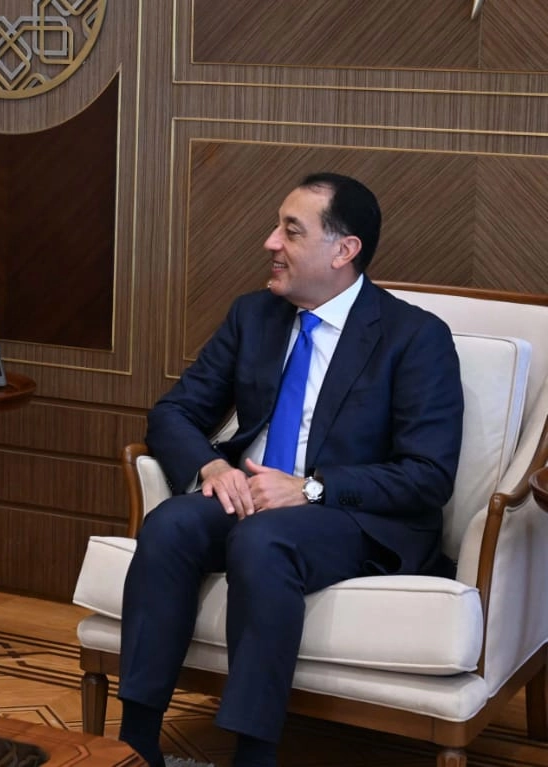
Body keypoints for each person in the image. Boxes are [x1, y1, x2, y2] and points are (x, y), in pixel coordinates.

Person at [117, 173, 463, 767]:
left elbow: (428, 474)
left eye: (291, 231)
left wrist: (311, 489)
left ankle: (254, 754)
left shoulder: (414, 337)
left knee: (264, 539)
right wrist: (210, 467)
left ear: (343, 250)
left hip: (352, 517)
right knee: (171, 525)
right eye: (277, 226)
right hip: (252, 496)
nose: (270, 242)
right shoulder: (254, 316)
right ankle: (134, 743)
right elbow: (173, 412)